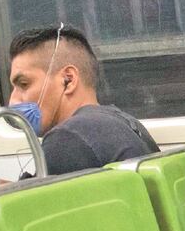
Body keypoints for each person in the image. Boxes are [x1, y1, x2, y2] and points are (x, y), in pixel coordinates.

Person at [8, 24, 159, 175]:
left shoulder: (68, 138)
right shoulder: (126, 121)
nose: (13, 101)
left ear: (68, 80)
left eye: (24, 84)